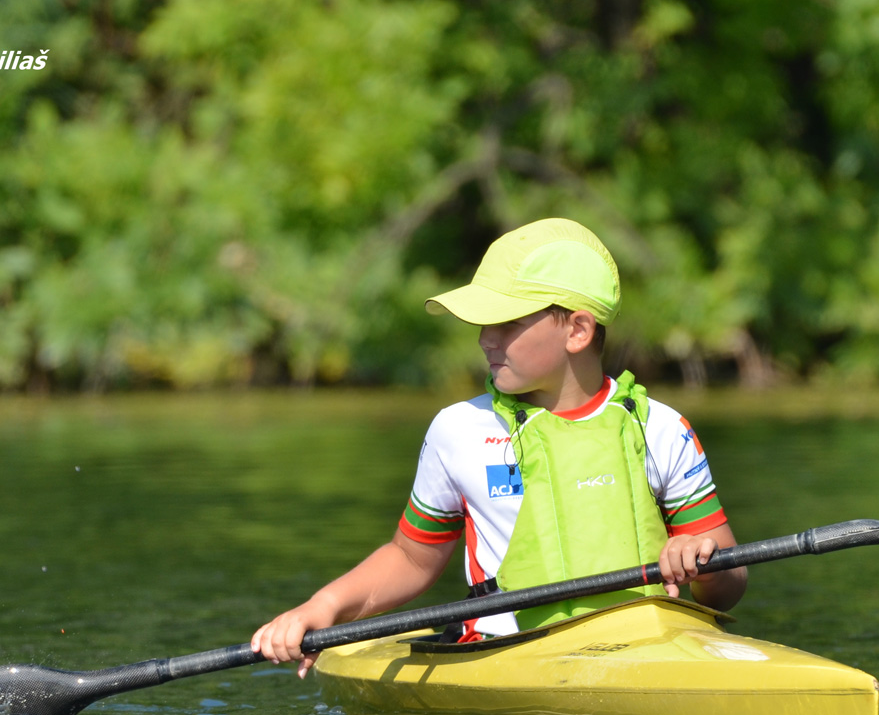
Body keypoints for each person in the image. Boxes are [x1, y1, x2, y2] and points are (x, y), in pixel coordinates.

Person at [252, 217, 747, 677]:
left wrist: (698, 557)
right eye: (483, 324)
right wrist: (321, 609)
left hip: (650, 651)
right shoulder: (458, 429)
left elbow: (728, 585)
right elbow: (411, 559)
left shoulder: (660, 428)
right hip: (504, 657)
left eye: (507, 323)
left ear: (578, 329)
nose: (486, 339)